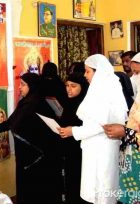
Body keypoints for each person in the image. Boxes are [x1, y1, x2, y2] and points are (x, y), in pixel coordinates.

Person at [58, 54, 128, 204]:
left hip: (103, 146)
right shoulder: (98, 89)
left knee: (103, 188)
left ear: (99, 72)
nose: (85, 75)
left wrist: (73, 131)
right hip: (94, 146)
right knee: (94, 190)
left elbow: (101, 125)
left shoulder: (106, 90)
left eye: (88, 71)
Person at [0, 73, 62, 204]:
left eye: (23, 85)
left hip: (37, 159)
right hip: (25, 156)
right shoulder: (24, 103)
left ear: (32, 86)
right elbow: (11, 122)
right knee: (25, 188)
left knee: (36, 191)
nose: (20, 87)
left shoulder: (39, 104)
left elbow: (47, 133)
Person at [103, 50, 140, 204]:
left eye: (137, 72)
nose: (134, 78)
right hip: (138, 161)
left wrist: (125, 132)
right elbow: (139, 125)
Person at [59, 72, 89, 203]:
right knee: (71, 181)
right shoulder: (69, 102)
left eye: (73, 86)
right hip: (69, 149)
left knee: (80, 181)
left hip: (81, 151)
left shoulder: (86, 104)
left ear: (82, 87)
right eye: (67, 85)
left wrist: (72, 131)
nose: (68, 89)